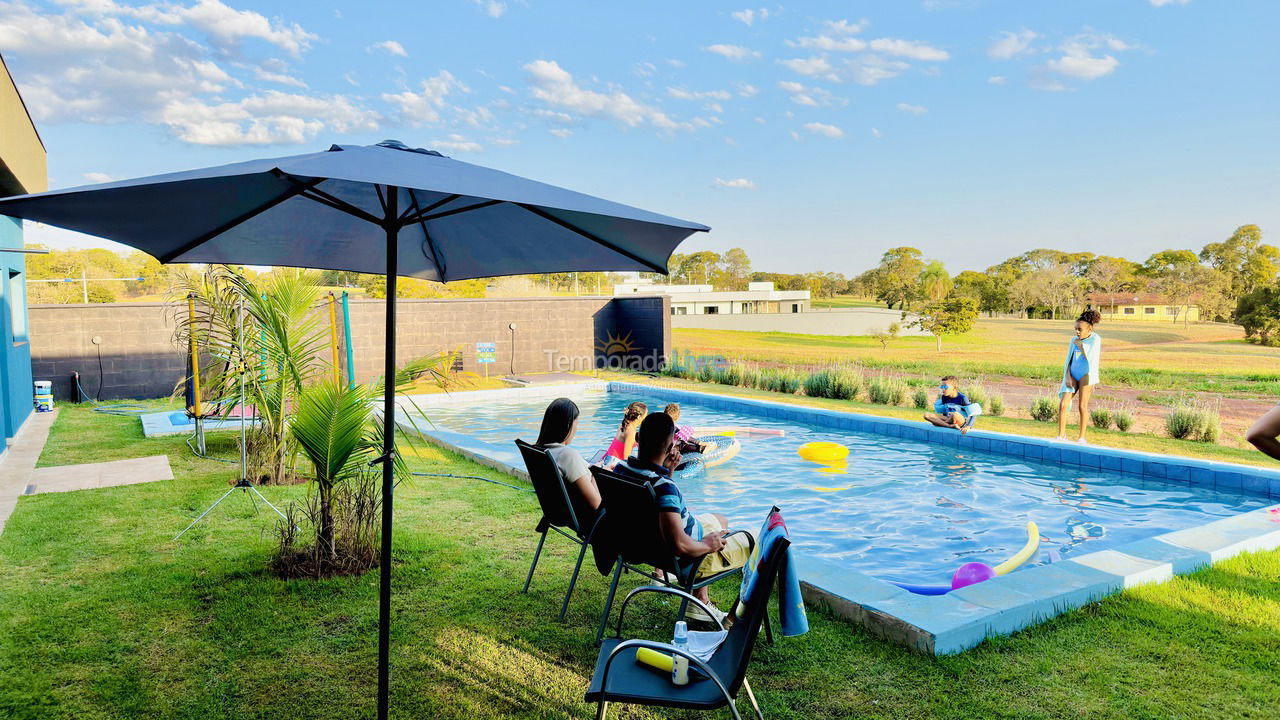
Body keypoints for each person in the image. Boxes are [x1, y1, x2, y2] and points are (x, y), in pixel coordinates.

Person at [615, 412, 754, 624]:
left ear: (638, 439)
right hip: (687, 554)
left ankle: (699, 600)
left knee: (720, 519)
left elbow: (658, 500)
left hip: (646, 548)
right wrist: (707, 544)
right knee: (761, 542)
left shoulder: (620, 470)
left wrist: (668, 472)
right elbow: (679, 545)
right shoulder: (664, 488)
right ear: (671, 445)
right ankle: (735, 621)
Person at [535, 397, 600, 518]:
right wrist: (597, 473)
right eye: (577, 423)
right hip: (585, 517)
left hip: (557, 511)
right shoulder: (567, 455)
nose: (577, 428)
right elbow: (595, 503)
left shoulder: (540, 451)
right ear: (568, 424)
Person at [1057, 310, 1103, 444]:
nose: (1077, 332)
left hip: (1086, 376)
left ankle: (1082, 437)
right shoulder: (1073, 340)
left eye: (1080, 329)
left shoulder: (1095, 339)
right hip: (1072, 375)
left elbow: (1091, 358)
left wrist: (1080, 345)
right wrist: (1068, 376)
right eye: (1075, 329)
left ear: (1089, 329)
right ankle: (1061, 435)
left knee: (1082, 406)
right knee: (1064, 404)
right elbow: (1069, 359)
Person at [603, 401, 647, 465]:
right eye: (646, 415)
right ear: (639, 417)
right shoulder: (631, 432)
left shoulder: (625, 425)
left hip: (608, 458)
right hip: (614, 463)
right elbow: (626, 457)